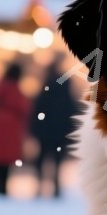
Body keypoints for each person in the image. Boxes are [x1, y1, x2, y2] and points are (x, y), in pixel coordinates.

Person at [30, 59, 77, 199]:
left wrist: (34, 129)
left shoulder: (46, 87)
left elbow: (38, 109)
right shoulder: (65, 90)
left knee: (42, 159)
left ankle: (39, 186)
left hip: (45, 131)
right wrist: (69, 130)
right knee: (57, 160)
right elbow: (70, 111)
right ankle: (56, 188)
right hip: (59, 132)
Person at [0, 62, 29, 196]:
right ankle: (2, 190)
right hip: (10, 139)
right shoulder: (18, 95)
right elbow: (25, 112)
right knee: (4, 170)